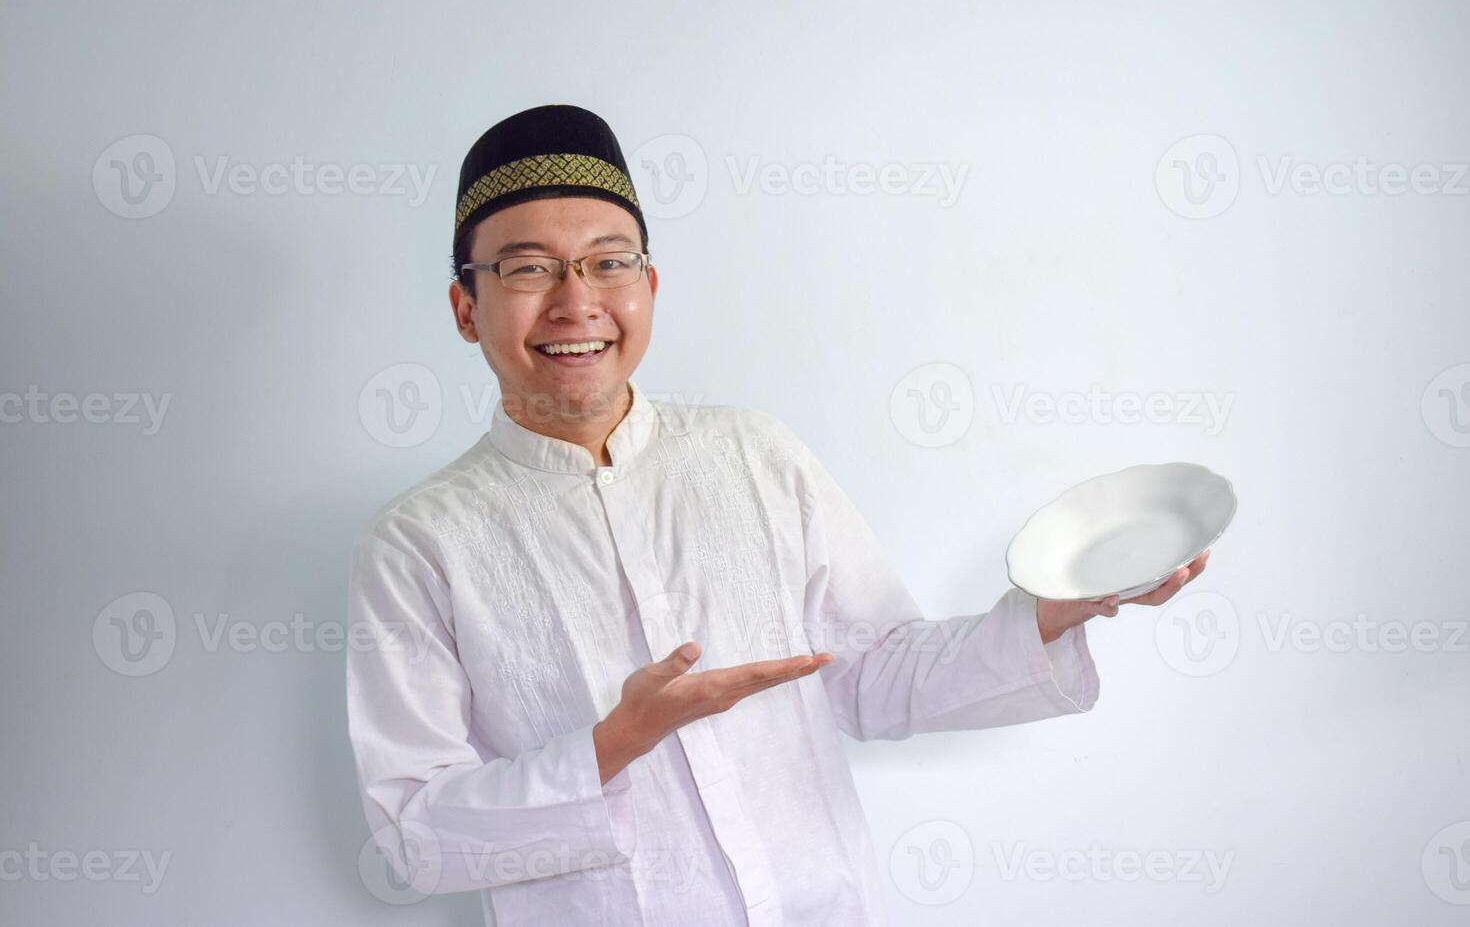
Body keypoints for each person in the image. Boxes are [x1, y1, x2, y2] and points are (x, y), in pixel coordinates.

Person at [344, 104, 1211, 926]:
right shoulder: (420, 544)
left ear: (648, 283)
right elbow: (414, 836)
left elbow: (874, 674)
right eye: (529, 268)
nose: (577, 301)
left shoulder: (753, 455)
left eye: (608, 261)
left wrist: (1053, 613)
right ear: (466, 307)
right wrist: (613, 744)